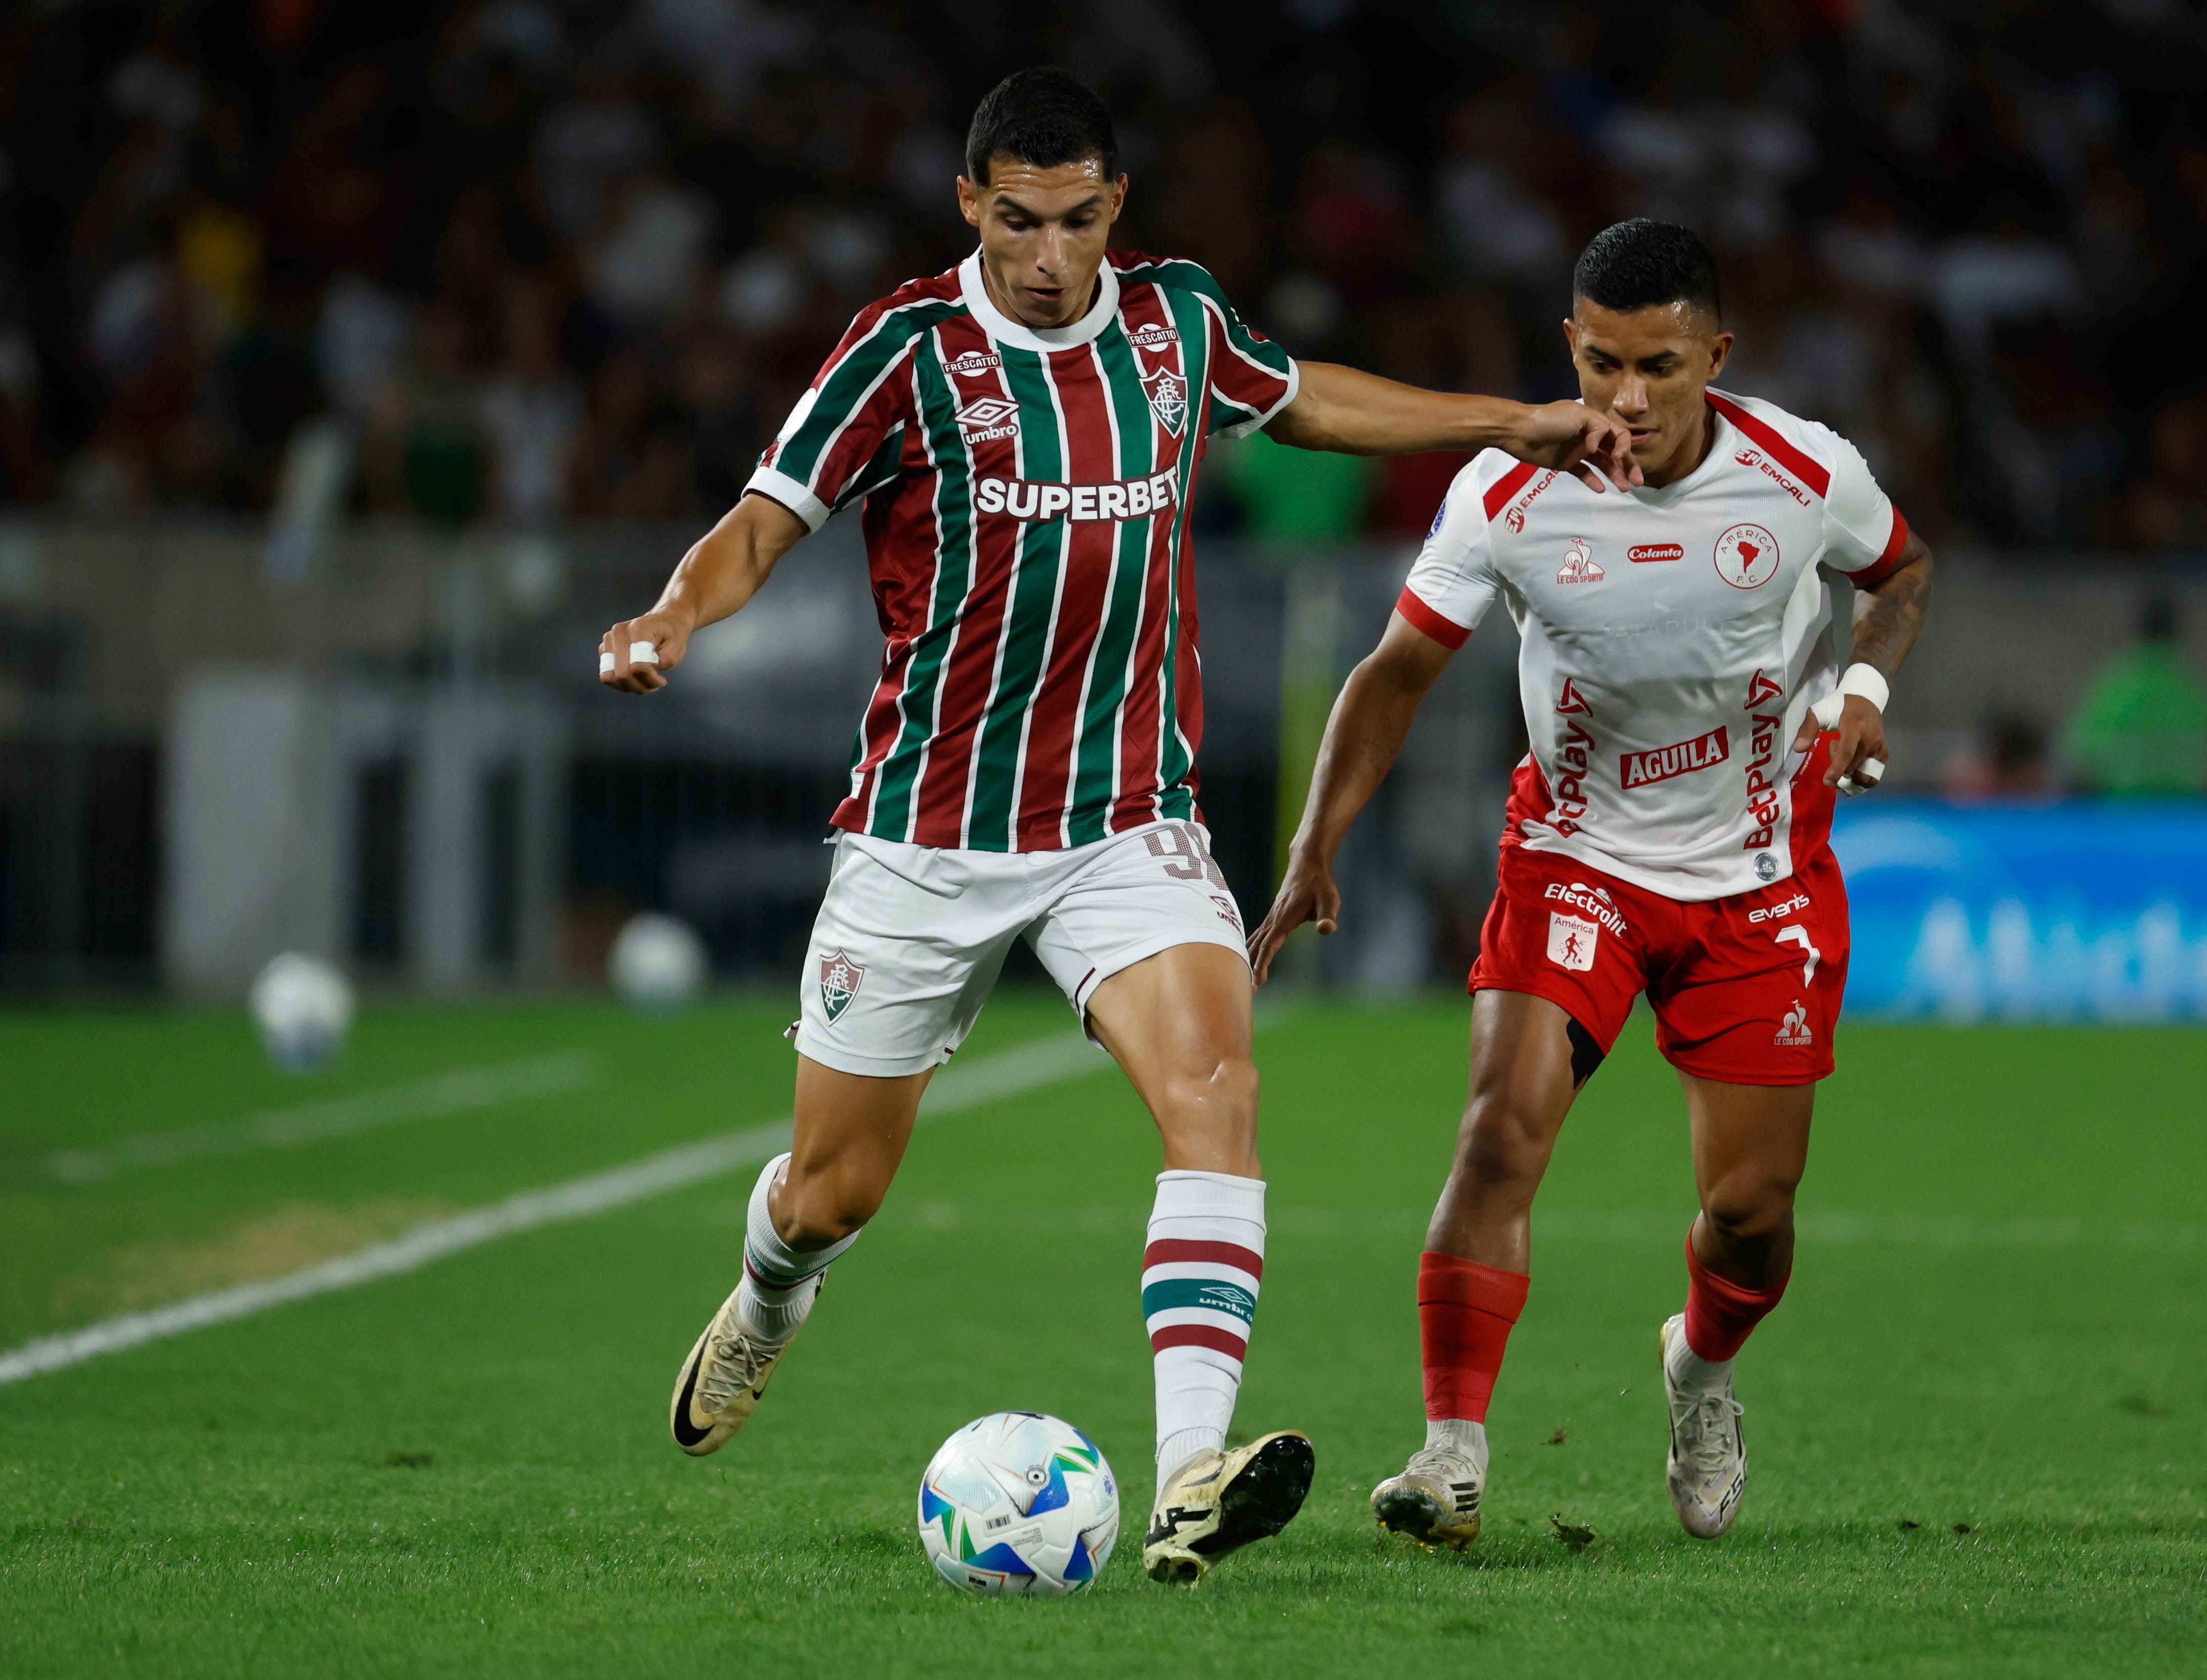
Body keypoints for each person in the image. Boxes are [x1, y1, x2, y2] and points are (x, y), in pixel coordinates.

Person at [595, 68, 1637, 1586]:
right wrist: (672, 612)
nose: (1046, 254)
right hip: (928, 833)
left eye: (1077, 220)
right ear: (970, 203)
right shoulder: (904, 350)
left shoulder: (1175, 321)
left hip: (1125, 817)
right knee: (832, 1192)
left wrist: (1514, 422)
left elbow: (1302, 398)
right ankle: (768, 1294)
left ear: (1115, 208)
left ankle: (1186, 1478)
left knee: (1218, 1087)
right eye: (1016, 220)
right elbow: (765, 517)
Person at [1250, 220, 1935, 1549]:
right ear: (1570, 346)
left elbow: (1900, 569)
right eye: (1603, 363)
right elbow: (1395, 671)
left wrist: (1862, 685)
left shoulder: (1802, 469)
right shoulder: (1505, 490)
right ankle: (1450, 1453)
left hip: (1758, 878)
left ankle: (1700, 1367)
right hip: (1578, 860)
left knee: (1750, 1213)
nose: (1627, 398)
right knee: (1498, 1134)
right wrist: (1312, 843)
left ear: (1714, 356)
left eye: (1659, 367)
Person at [2060, 594, 2207, 796]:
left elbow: (2080, 756)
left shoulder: (2114, 686)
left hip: (2121, 810)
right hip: (2186, 809)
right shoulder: (2197, 688)